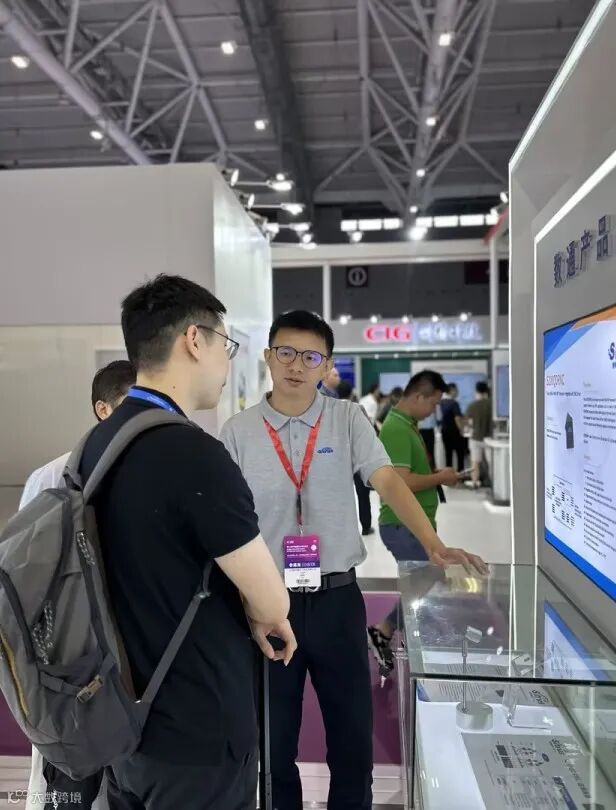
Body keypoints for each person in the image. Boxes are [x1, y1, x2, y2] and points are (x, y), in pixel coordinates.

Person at [219, 311, 486, 810]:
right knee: (274, 745)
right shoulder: (238, 432)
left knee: (351, 742)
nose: (296, 366)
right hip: (268, 606)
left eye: (311, 357)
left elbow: (387, 480)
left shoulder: (346, 420)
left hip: (338, 600)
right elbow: (225, 522)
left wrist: (432, 543)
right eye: (286, 353)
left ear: (327, 367)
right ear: (268, 357)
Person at [79, 275, 295, 810]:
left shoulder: (95, 444)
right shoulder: (194, 454)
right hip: (198, 732)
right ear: (194, 340)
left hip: (122, 725)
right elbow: (272, 602)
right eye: (226, 345)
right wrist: (262, 613)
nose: (226, 362)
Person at [20, 360, 136, 810]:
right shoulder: (53, 477)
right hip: (76, 662)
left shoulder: (152, 473)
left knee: (126, 783)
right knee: (72, 786)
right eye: (131, 406)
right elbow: (28, 578)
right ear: (103, 409)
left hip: (135, 655)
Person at [368, 372, 465, 675]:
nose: (434, 410)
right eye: (433, 403)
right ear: (419, 396)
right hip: (402, 525)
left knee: (423, 582)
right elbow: (401, 482)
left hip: (413, 525)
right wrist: (440, 478)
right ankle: (386, 631)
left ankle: (396, 635)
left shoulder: (406, 425)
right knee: (427, 579)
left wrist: (436, 475)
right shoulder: (396, 429)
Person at [338, 379, 374, 536]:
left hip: (339, 459)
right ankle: (366, 526)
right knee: (363, 494)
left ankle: (343, 529)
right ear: (351, 393)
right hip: (357, 458)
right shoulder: (357, 408)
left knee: (341, 494)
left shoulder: (330, 411)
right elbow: (368, 431)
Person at [466, 381, 493, 489]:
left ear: (476, 391)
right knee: (491, 463)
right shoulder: (492, 404)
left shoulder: (472, 405)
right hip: (489, 438)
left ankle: (475, 482)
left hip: (475, 437)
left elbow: (469, 422)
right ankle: (493, 484)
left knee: (475, 462)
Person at [440, 383, 466, 472]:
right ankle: (460, 475)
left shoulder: (442, 402)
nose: (457, 392)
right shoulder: (454, 403)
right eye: (456, 390)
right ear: (451, 391)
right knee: (460, 454)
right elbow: (457, 418)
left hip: (444, 431)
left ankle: (448, 475)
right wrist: (462, 430)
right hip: (455, 432)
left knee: (448, 454)